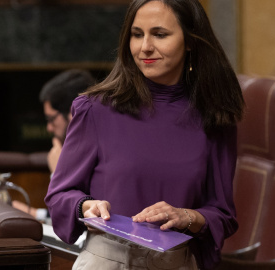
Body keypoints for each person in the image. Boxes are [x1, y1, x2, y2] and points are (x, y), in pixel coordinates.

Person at [45, 0, 244, 269]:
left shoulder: (215, 116)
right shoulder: (95, 109)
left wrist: (185, 216)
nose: (145, 47)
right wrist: (85, 207)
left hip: (176, 262)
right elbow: (60, 195)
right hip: (106, 259)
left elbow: (222, 214)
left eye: (159, 34)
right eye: (137, 34)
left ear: (190, 41)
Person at [13, 69, 95, 221]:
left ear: (73, 113)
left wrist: (59, 172)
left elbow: (82, 226)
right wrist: (35, 214)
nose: (49, 128)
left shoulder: (94, 151)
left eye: (51, 119)